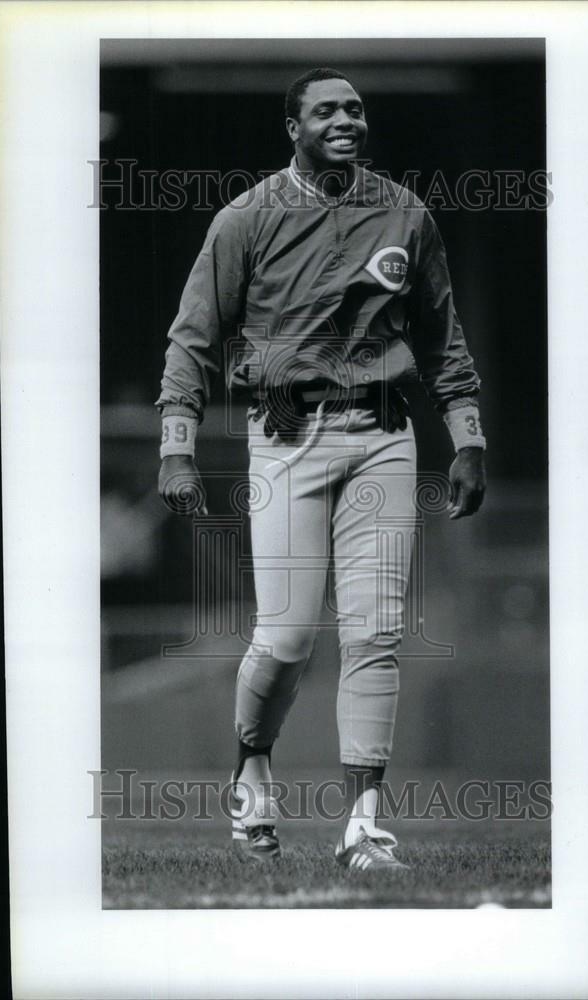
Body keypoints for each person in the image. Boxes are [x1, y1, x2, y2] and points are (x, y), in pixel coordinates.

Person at [157, 67, 486, 871]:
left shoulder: (405, 213)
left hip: (384, 434)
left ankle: (364, 829)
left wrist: (466, 435)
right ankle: (253, 764)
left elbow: (441, 340)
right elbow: (193, 338)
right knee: (289, 637)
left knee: (374, 635)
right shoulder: (247, 217)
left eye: (355, 107)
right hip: (286, 437)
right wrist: (176, 445)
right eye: (326, 109)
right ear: (292, 127)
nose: (345, 118)